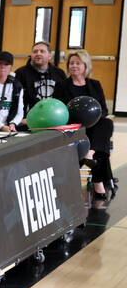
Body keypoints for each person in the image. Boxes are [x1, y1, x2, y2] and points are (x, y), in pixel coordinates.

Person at [54, 49, 115, 200]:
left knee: (106, 123)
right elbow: (58, 110)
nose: (74, 66)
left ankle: (90, 152)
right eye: (71, 63)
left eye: (78, 63)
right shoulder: (62, 86)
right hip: (73, 126)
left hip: (93, 126)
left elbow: (103, 110)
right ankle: (98, 181)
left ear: (85, 66)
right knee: (102, 145)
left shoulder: (95, 84)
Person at [16, 41, 66, 110]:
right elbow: (17, 98)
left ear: (50, 56)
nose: (38, 54)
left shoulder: (59, 73)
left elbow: (63, 98)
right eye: (35, 51)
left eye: (42, 51)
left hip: (54, 114)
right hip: (29, 116)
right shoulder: (21, 73)